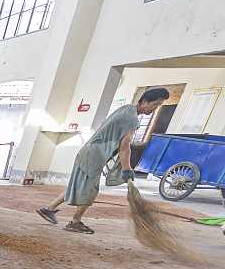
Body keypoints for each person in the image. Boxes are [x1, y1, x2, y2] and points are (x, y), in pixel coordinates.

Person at [37, 87, 170, 233]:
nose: (156, 108)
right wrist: (127, 170)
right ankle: (75, 222)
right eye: (156, 104)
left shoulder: (126, 108)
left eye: (159, 105)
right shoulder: (132, 119)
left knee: (78, 186)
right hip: (94, 156)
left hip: (87, 151)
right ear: (144, 101)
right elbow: (124, 147)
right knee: (90, 190)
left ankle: (49, 209)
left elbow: (104, 124)